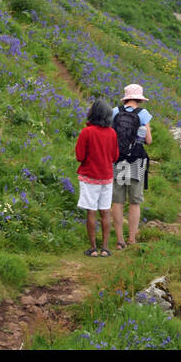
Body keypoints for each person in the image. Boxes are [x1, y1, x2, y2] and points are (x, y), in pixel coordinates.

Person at [111, 84, 153, 250]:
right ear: (140, 99)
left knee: (118, 201)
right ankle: (132, 239)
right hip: (136, 161)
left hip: (117, 160)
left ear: (126, 98)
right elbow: (148, 141)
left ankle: (119, 240)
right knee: (134, 202)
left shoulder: (115, 111)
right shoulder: (143, 114)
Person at [75, 99, 119, 257]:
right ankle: (105, 248)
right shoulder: (112, 133)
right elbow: (115, 156)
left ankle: (93, 249)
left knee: (91, 213)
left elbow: (80, 156)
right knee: (105, 212)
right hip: (106, 177)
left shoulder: (86, 132)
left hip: (89, 177)